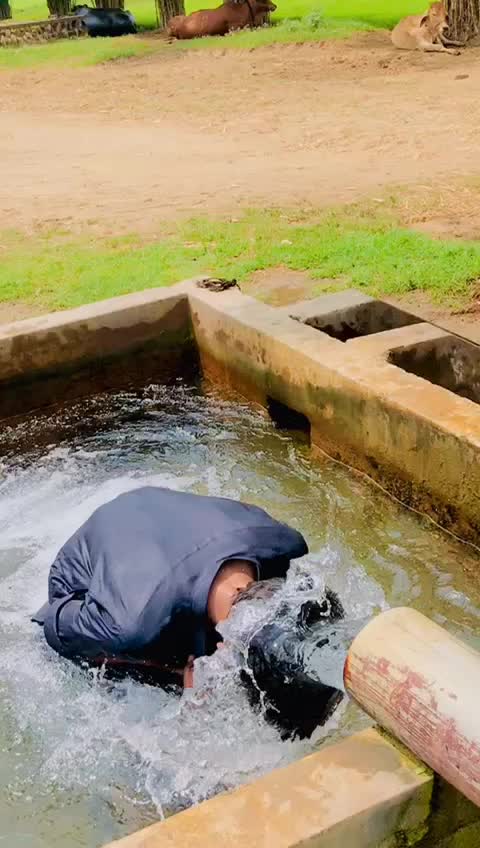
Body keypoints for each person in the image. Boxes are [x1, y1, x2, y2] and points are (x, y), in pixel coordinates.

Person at [32, 486, 308, 688]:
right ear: (225, 646)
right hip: (85, 572)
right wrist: (173, 671)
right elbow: (54, 625)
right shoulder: (132, 625)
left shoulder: (288, 546)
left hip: (158, 508)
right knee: (172, 681)